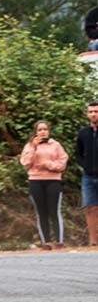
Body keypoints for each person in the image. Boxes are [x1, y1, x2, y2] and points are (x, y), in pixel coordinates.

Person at [20, 120, 69, 249]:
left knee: (54, 211)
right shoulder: (29, 146)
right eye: (40, 130)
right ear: (35, 132)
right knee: (41, 212)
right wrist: (33, 147)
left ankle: (59, 241)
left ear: (49, 131)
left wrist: (48, 165)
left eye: (45, 129)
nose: (43, 132)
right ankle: (46, 242)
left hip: (53, 180)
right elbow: (25, 163)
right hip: (35, 180)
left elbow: (62, 162)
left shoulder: (56, 145)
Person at [75, 102, 98, 247]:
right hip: (88, 176)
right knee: (90, 207)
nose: (93, 114)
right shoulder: (83, 132)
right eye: (90, 112)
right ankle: (93, 240)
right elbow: (78, 153)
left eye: (96, 111)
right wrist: (86, 166)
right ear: (87, 114)